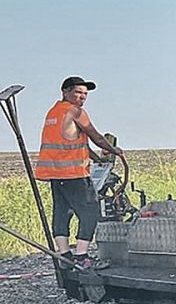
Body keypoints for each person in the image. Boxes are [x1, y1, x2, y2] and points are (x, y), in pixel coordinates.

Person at [35, 77, 124, 269]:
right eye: (78, 92)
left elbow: (75, 141)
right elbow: (95, 136)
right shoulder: (75, 111)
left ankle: (64, 255)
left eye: (85, 94)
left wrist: (95, 158)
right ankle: (82, 256)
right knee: (91, 212)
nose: (82, 97)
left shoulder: (53, 113)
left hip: (55, 174)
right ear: (65, 92)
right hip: (73, 173)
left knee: (62, 212)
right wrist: (114, 150)